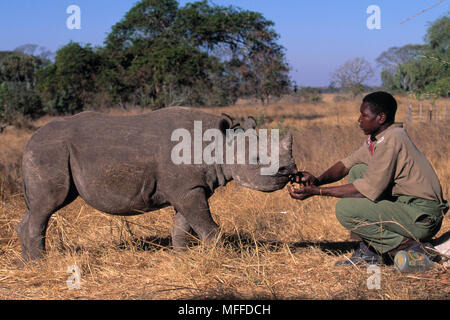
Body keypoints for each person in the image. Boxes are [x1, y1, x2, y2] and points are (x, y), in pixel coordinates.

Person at [288, 91, 448, 266]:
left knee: (345, 209)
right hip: (408, 208)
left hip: (422, 217)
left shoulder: (393, 139)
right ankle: (370, 250)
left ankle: (412, 249)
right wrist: (317, 180)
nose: (359, 120)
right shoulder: (379, 139)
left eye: (364, 115)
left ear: (381, 118)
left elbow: (367, 188)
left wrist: (318, 192)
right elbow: (346, 164)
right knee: (358, 170)